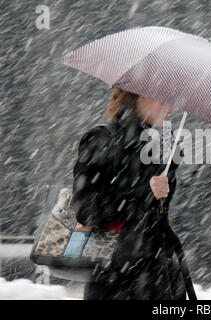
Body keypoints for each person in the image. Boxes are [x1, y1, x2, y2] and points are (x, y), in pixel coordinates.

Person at [72, 87, 196, 300]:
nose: (172, 110)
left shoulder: (163, 148)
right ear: (143, 97)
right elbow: (86, 209)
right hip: (114, 279)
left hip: (160, 276)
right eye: (166, 101)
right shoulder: (102, 140)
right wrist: (144, 191)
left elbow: (156, 217)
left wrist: (169, 167)